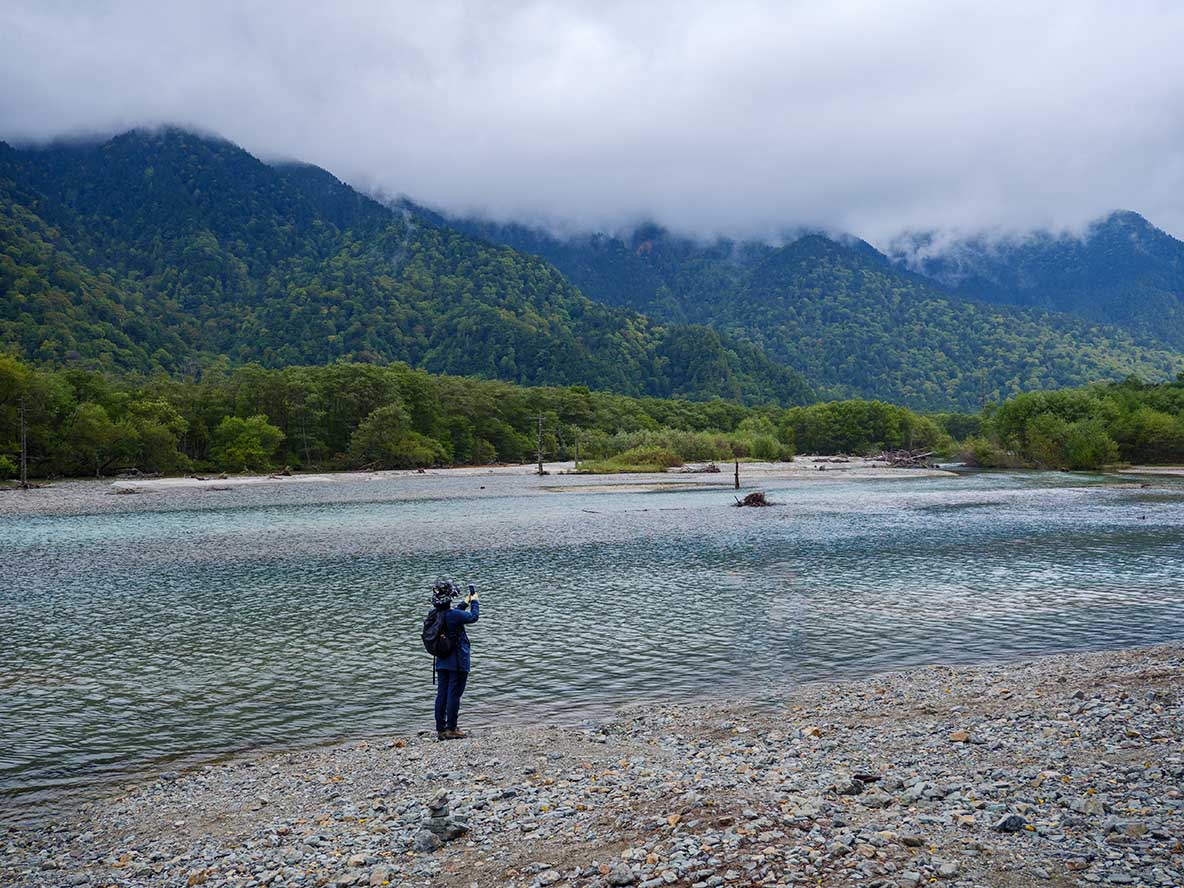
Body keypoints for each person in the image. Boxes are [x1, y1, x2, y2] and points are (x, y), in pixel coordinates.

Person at [430, 579, 480, 740]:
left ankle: (441, 729)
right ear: (449, 598)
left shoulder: (435, 614)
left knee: (441, 694)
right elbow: (473, 617)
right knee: (454, 694)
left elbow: (455, 613)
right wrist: (475, 601)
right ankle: (452, 728)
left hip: (441, 660)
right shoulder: (454, 615)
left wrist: (465, 602)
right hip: (457, 661)